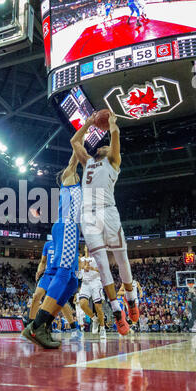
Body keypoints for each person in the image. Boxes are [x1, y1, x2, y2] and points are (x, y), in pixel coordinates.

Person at [70, 111, 139, 336]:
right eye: (103, 146)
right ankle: (117, 313)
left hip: (108, 213)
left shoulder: (114, 162)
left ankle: (131, 299)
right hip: (87, 216)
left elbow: (115, 134)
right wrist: (89, 123)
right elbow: (74, 141)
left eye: (107, 146)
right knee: (101, 264)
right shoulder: (88, 162)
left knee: (121, 259)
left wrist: (110, 123)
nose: (103, 146)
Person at [22, 150, 81, 349]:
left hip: (71, 228)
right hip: (67, 226)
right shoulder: (69, 178)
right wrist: (87, 127)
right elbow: (75, 153)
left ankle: (44, 325)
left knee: (72, 282)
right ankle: (35, 326)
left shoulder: (76, 187)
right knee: (64, 274)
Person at [79, 245, 106, 339]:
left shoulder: (97, 258)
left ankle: (102, 329)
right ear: (85, 248)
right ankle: (94, 319)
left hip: (95, 282)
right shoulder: (81, 259)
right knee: (82, 304)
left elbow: (103, 270)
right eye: (86, 246)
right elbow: (81, 272)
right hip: (85, 283)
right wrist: (81, 268)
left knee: (98, 307)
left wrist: (92, 269)